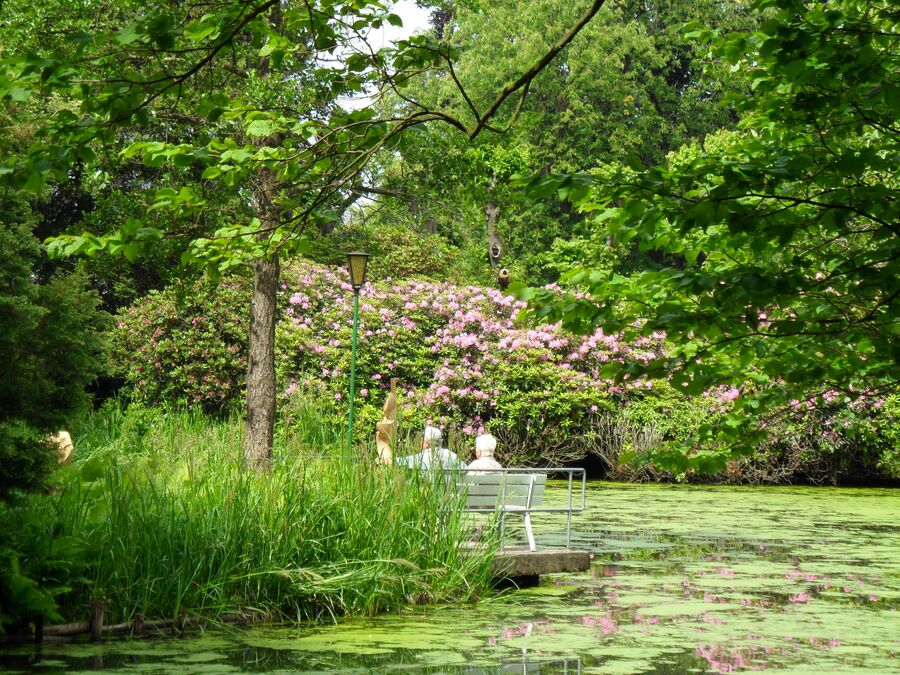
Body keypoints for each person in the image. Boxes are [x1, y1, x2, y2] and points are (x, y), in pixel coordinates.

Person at [395, 425, 464, 470]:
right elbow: (465, 470)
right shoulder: (451, 455)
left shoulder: (418, 459)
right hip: (449, 492)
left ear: (426, 443)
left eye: (422, 440)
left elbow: (393, 462)